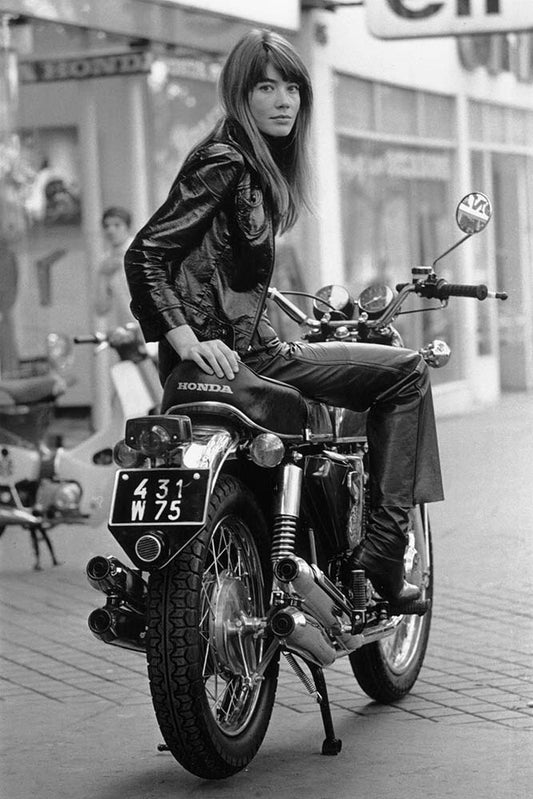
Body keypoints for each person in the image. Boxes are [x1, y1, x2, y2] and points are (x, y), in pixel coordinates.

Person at [124, 29, 444, 604]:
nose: (283, 101)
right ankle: (384, 549)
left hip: (235, 351)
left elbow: (213, 267)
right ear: (240, 94)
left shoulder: (244, 162)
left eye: (292, 88)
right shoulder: (227, 160)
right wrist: (186, 336)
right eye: (266, 88)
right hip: (248, 357)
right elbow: (146, 252)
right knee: (407, 373)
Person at [95, 206, 134, 328]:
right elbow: (101, 308)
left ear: (127, 227)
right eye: (106, 226)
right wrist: (103, 275)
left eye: (117, 225)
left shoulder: (140, 252)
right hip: (127, 329)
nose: (111, 230)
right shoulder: (105, 260)